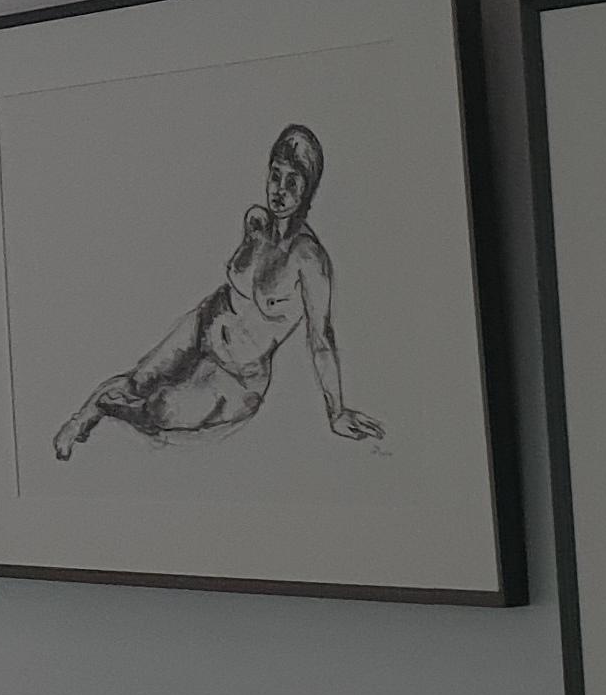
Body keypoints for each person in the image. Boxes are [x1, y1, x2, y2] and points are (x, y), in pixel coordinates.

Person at [53, 123, 379, 454]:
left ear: (307, 191)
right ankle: (79, 421)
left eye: (292, 182)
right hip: (203, 323)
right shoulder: (256, 221)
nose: (279, 190)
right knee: (139, 380)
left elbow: (321, 339)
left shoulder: (309, 259)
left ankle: (110, 409)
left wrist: (336, 411)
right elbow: (237, 287)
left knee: (161, 410)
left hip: (238, 374)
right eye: (275, 176)